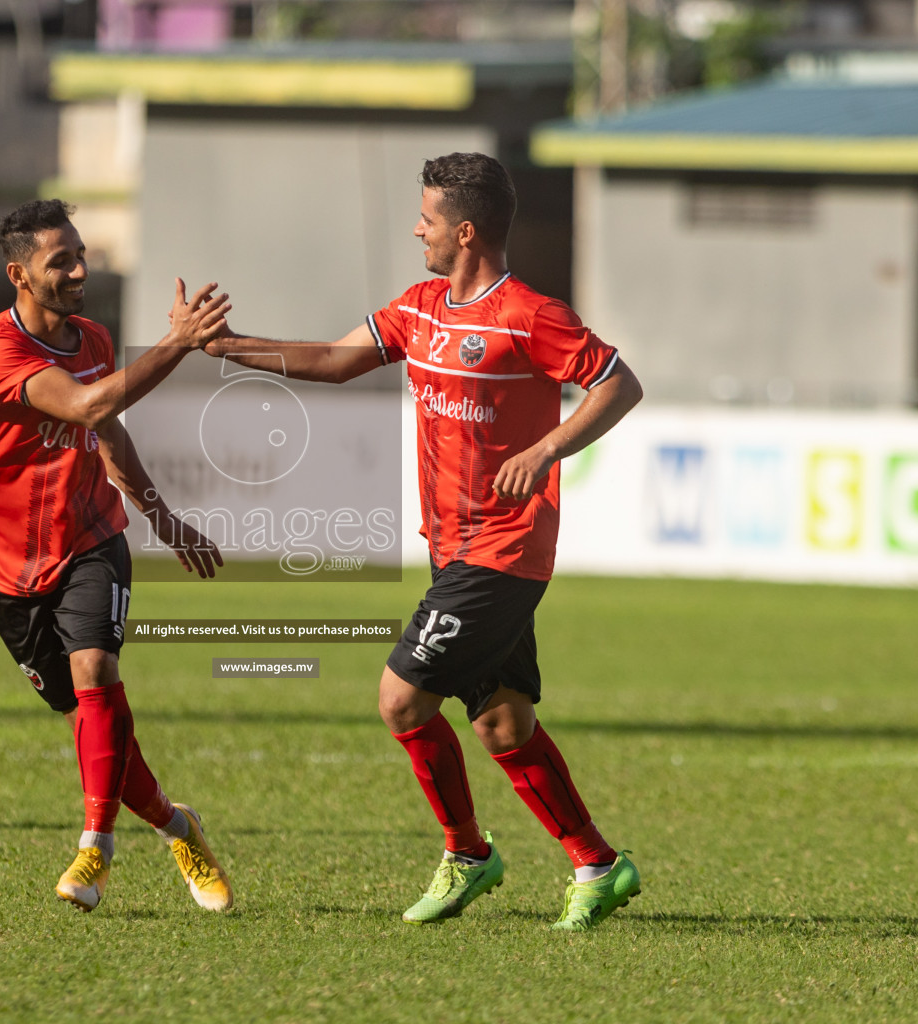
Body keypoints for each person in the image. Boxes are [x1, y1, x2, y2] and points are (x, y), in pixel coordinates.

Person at [201, 153, 644, 930]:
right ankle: (597, 864)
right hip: (451, 546)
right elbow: (337, 361)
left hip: (504, 550)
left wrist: (545, 451)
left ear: (465, 231)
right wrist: (231, 346)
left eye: (428, 219)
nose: (417, 229)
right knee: (502, 723)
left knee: (402, 700)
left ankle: (468, 854)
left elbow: (617, 383)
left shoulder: (530, 315)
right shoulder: (419, 307)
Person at [0, 198, 235, 914]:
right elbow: (82, 408)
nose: (81, 269)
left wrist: (161, 518)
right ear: (18, 274)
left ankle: (96, 848)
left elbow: (104, 429)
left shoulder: (95, 340)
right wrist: (176, 344)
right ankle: (179, 825)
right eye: (62, 261)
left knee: (95, 669)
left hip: (91, 536)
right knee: (86, 712)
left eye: (82, 254)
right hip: (4, 565)